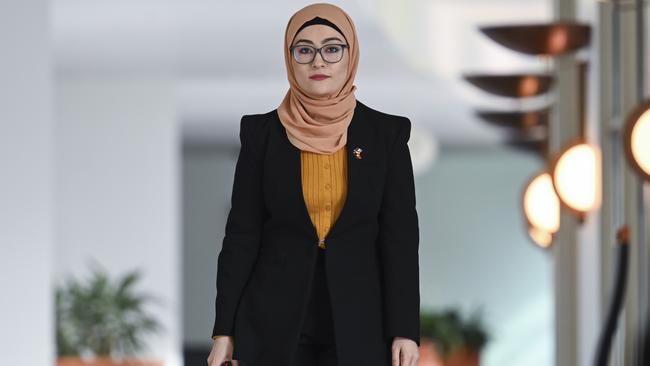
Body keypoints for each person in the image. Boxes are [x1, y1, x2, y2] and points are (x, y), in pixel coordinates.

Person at [207, 3, 420, 366]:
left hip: (361, 319)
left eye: (332, 49)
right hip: (273, 317)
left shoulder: (386, 135)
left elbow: (399, 240)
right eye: (304, 50)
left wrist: (405, 329)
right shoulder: (262, 135)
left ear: (350, 55)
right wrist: (224, 331)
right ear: (290, 58)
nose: (318, 62)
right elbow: (242, 238)